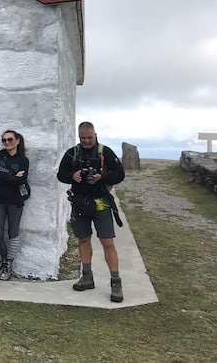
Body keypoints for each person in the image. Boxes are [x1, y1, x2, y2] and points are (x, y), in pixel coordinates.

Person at [57, 121, 126, 302]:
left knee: (107, 242)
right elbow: (60, 174)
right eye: (83, 138)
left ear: (95, 135)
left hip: (101, 203)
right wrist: (72, 176)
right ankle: (87, 277)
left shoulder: (105, 152)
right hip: (80, 203)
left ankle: (116, 283)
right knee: (83, 239)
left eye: (89, 137)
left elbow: (120, 174)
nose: (86, 141)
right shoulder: (72, 153)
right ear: (79, 137)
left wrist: (102, 176)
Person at [0, 130, 30, 281]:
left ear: (17, 141)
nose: (7, 142)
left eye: (10, 139)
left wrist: (2, 175)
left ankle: (8, 265)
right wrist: (12, 177)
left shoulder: (23, 160)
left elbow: (21, 181)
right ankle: (5, 261)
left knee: (13, 233)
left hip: (15, 200)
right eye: (4, 140)